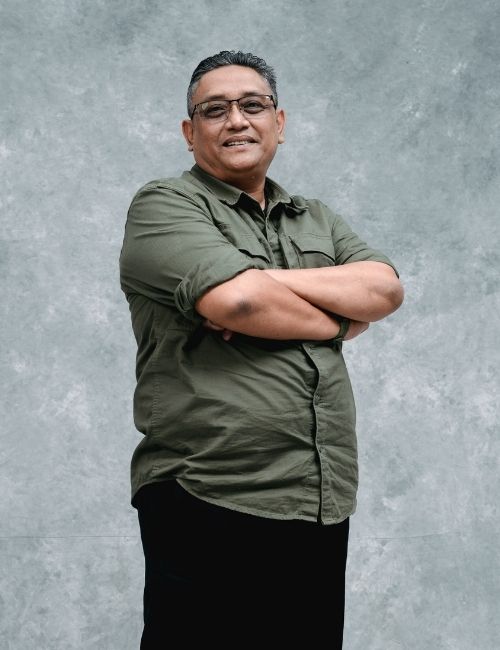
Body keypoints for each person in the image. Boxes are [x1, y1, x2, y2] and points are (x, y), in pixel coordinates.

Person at [120, 50, 404, 649]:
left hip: (316, 495)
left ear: (279, 122)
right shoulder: (164, 205)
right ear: (189, 131)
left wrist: (261, 280)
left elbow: (383, 290)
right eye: (214, 110)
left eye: (253, 105)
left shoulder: (315, 218)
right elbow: (242, 303)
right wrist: (337, 321)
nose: (236, 120)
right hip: (207, 490)